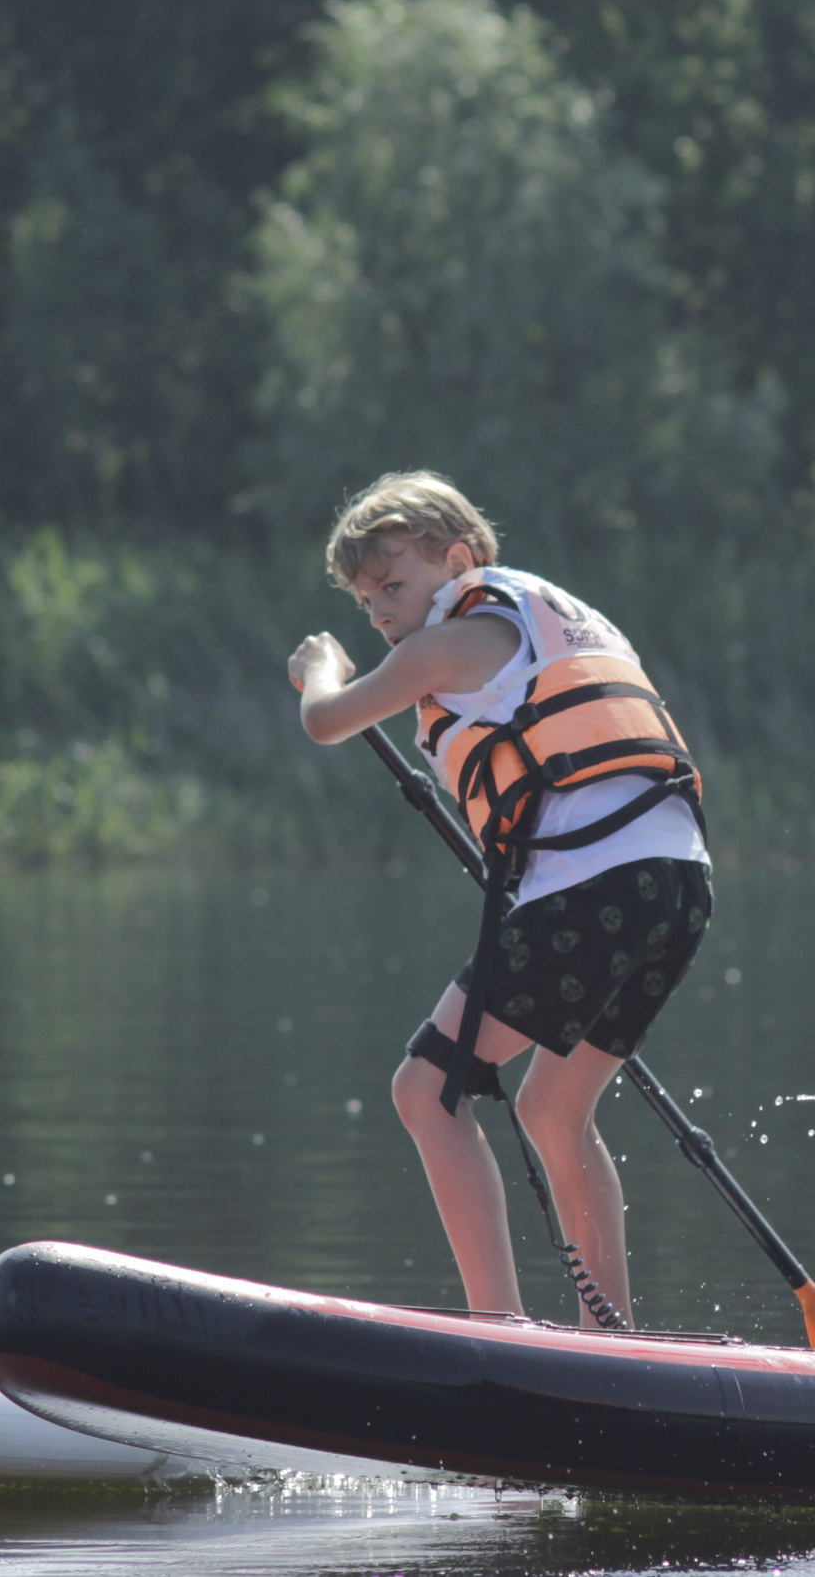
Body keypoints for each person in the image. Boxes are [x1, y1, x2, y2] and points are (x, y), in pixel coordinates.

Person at [288, 470, 712, 1327]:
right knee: (553, 1111)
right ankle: (611, 1341)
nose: (380, 612)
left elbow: (326, 720)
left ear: (458, 561)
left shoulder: (452, 641)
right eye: (366, 602)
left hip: (599, 887)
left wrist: (321, 667)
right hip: (677, 886)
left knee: (425, 1090)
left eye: (393, 585)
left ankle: (497, 1327)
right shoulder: (547, 619)